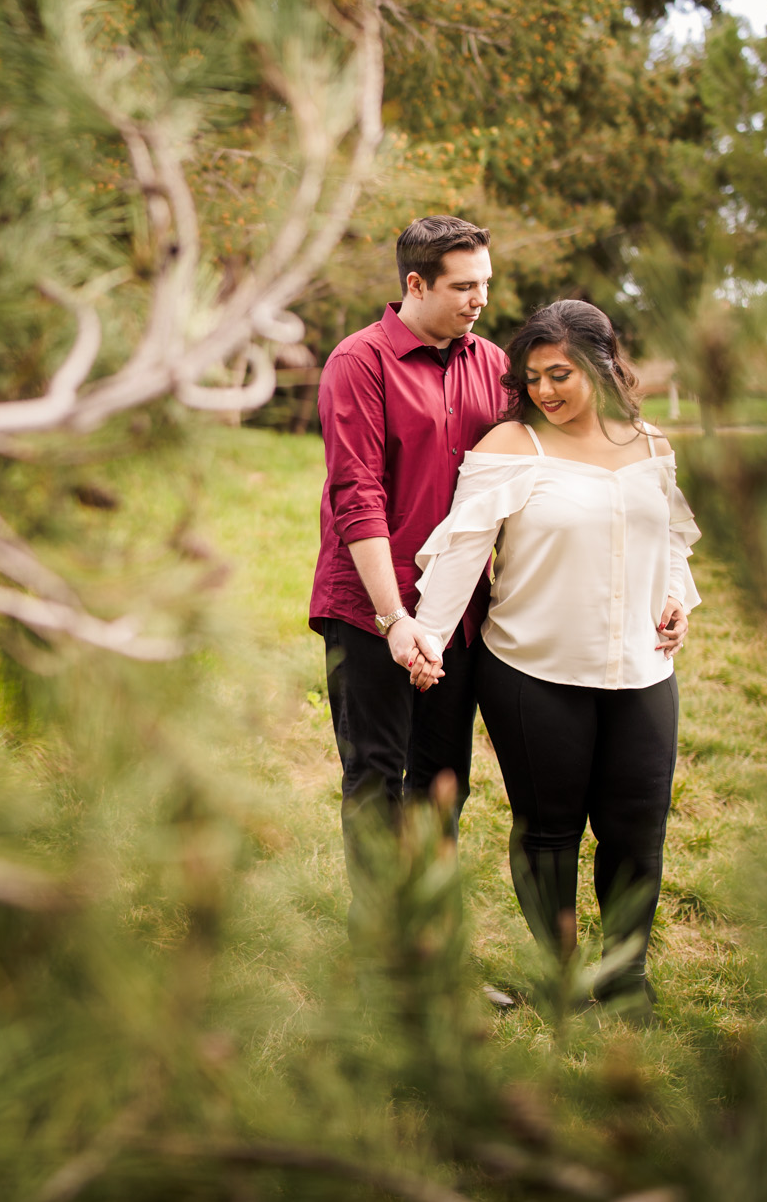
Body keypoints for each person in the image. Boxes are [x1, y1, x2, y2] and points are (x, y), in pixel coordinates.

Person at [409, 299, 698, 1010]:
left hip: (642, 672)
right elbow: (461, 551)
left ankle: (625, 976)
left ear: (601, 366)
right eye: (532, 376)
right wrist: (423, 637)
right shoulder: (512, 445)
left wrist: (677, 602)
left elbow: (669, 540)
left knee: (638, 832)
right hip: (534, 672)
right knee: (550, 832)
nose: (544, 390)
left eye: (559, 374)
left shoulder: (650, 444)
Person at [308, 215, 510, 942]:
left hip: (457, 612)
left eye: (485, 283)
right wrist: (397, 621)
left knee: (440, 783)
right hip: (369, 610)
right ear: (415, 284)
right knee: (377, 782)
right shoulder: (358, 362)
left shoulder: (491, 363)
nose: (479, 299)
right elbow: (355, 493)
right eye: (464, 286)